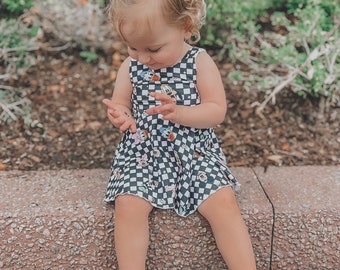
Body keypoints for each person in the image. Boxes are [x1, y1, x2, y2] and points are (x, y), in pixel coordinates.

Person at [102, 0, 257, 269]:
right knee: (127, 204)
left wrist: (181, 113)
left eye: (153, 49)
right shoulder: (130, 66)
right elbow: (122, 103)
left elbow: (216, 110)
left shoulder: (199, 62)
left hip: (194, 153)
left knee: (222, 201)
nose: (142, 57)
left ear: (185, 27)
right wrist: (121, 116)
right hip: (144, 156)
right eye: (132, 47)